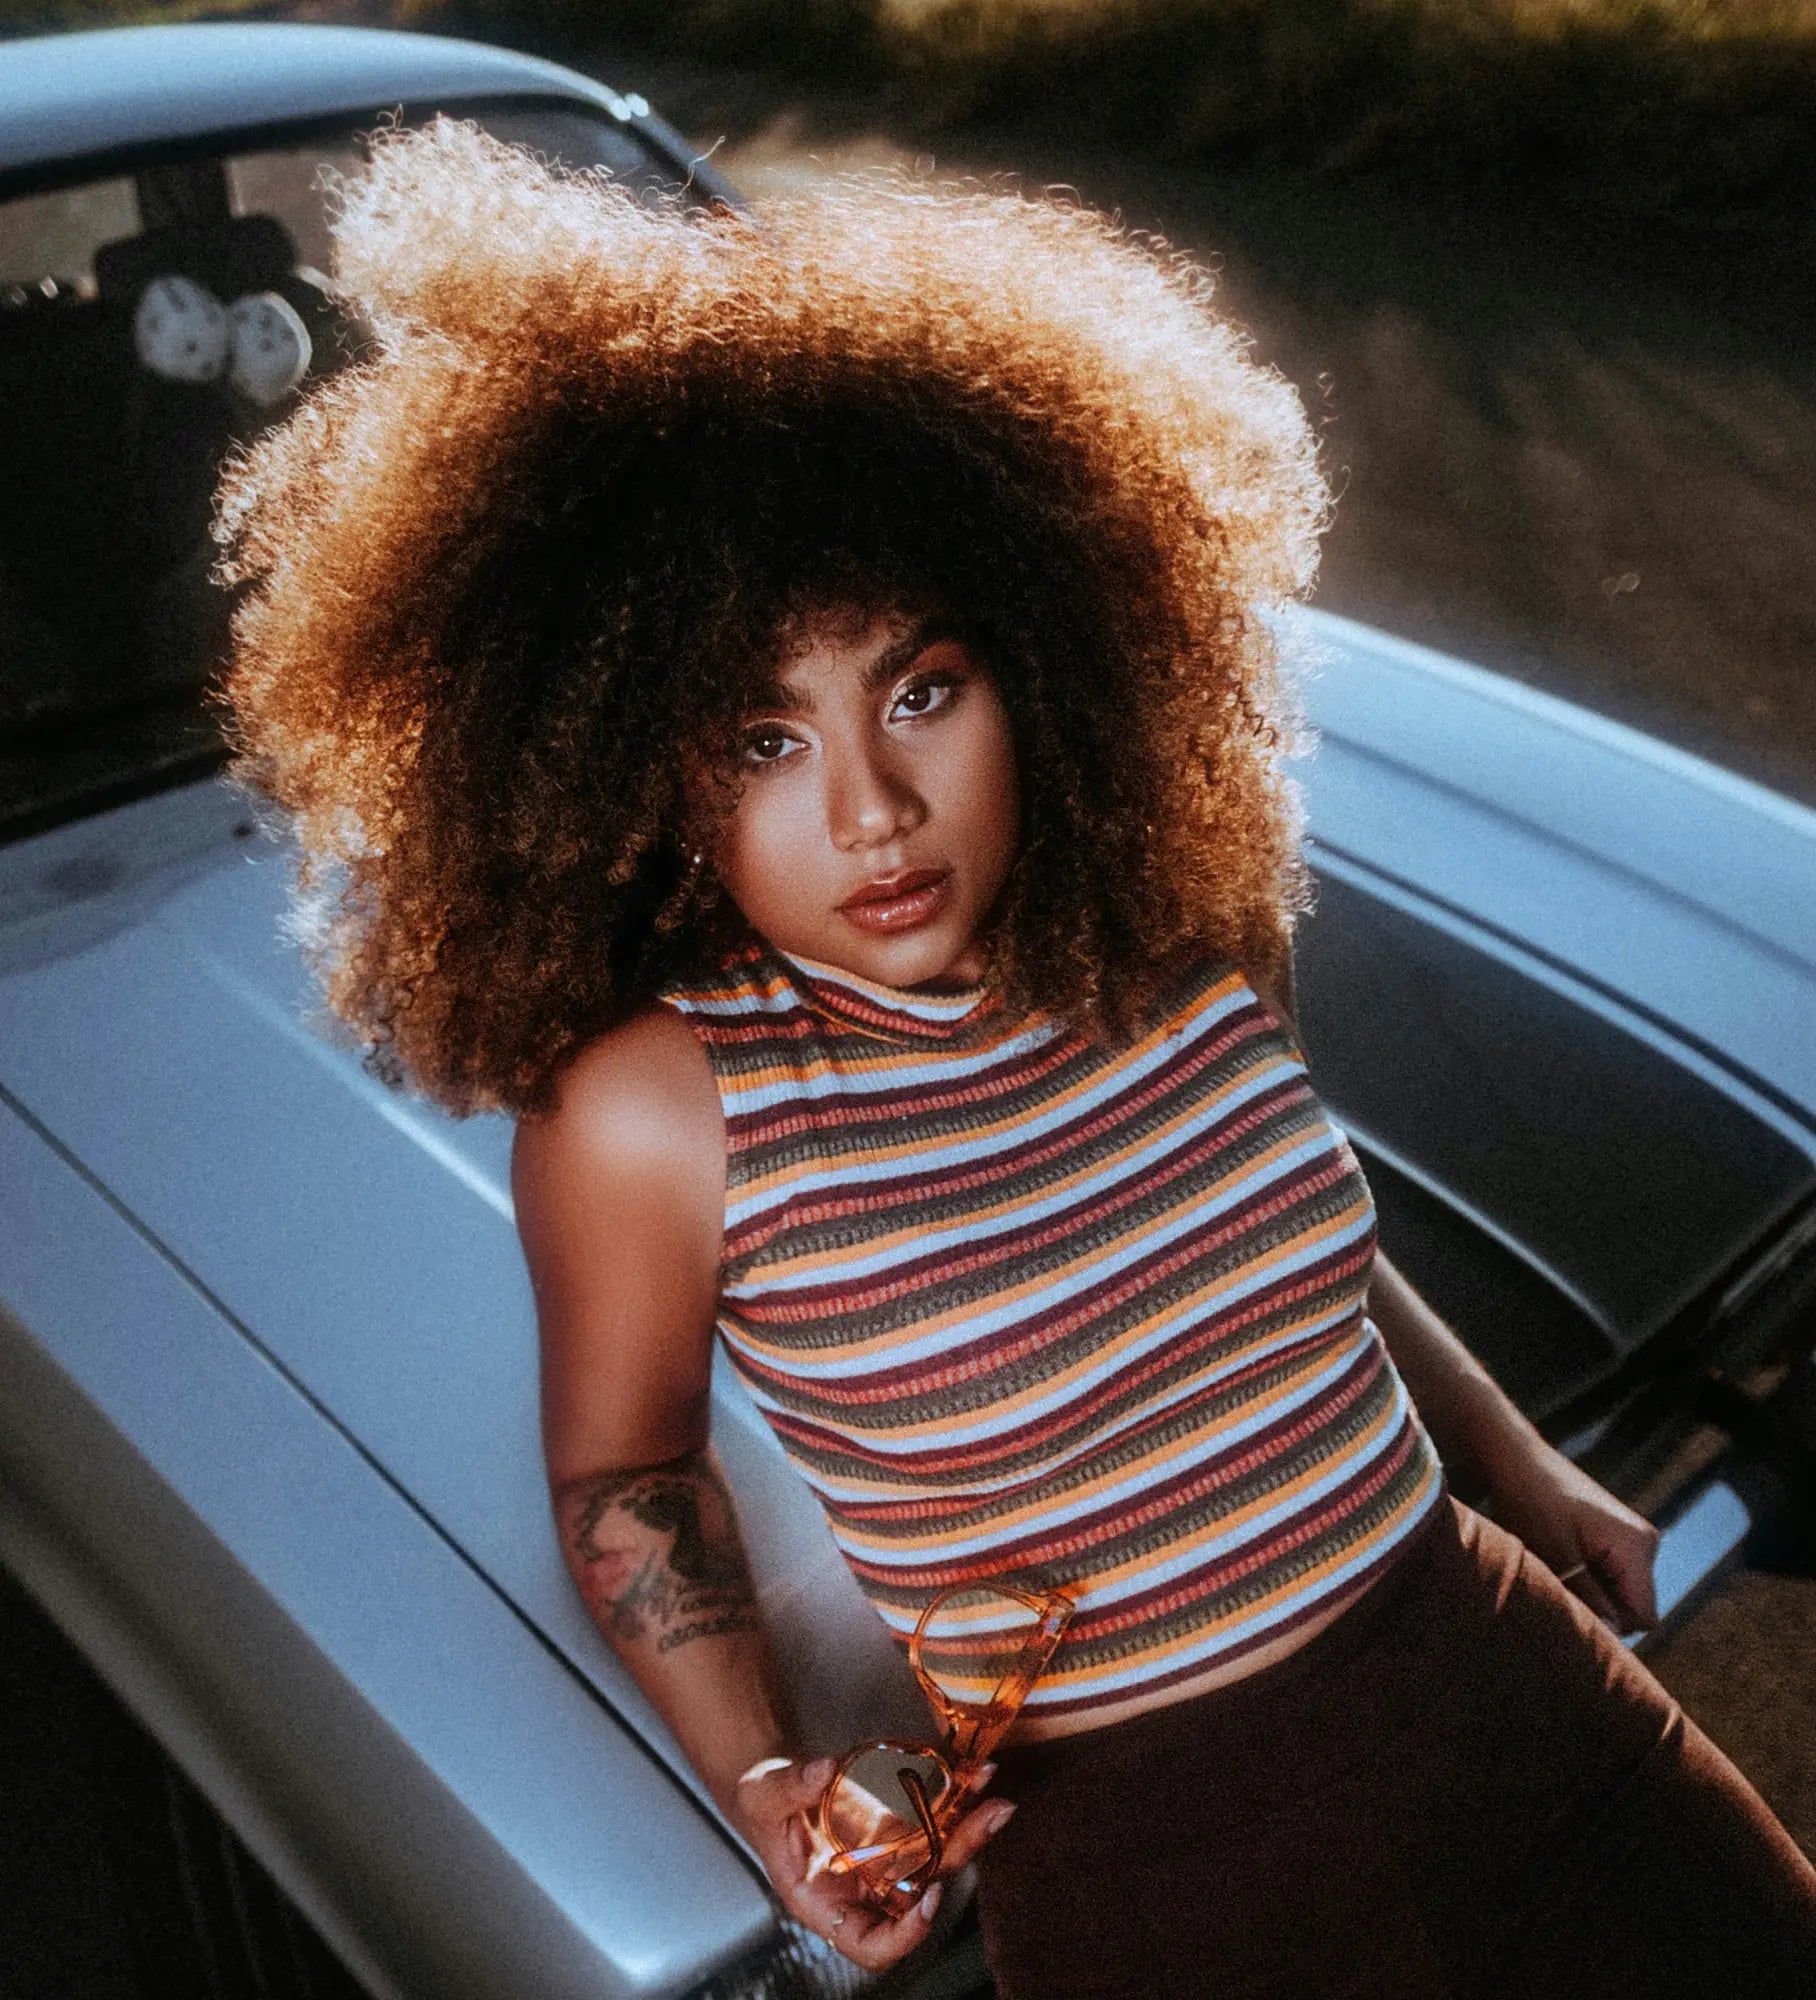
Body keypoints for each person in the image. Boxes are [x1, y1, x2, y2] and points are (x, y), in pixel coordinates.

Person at [212, 118, 1816, 1996]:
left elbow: (1294, 1251)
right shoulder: (660, 1106)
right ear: (636, 761)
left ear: (1038, 655)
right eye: (762, 740)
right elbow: (628, 1478)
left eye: (920, 690)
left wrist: (1529, 1478)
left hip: (1510, 1693)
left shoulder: (1176, 923)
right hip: (1170, 1887)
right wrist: (768, 1784)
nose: (875, 809)